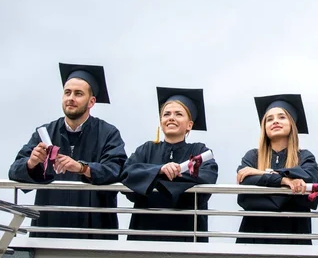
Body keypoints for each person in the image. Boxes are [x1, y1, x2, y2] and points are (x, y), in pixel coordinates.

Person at [9, 63, 127, 239]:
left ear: (91, 101)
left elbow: (117, 170)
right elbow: (14, 171)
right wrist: (31, 162)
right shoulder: (45, 132)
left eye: (78, 94)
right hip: (48, 229)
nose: (71, 98)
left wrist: (82, 168)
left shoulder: (108, 134)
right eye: (67, 92)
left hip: (94, 232)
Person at [121, 87, 218, 242]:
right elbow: (127, 173)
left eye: (178, 114)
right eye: (167, 114)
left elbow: (207, 179)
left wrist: (158, 178)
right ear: (161, 122)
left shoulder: (200, 151)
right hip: (145, 232)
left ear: (189, 125)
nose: (171, 118)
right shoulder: (147, 149)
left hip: (186, 233)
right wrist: (159, 170)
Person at [236, 94, 318, 244]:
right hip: (255, 235)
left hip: (294, 235)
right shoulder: (253, 156)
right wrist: (284, 180)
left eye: (281, 117)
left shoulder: (305, 157)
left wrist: (260, 174)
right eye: (269, 119)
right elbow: (245, 182)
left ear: (292, 123)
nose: (275, 121)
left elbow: (311, 180)